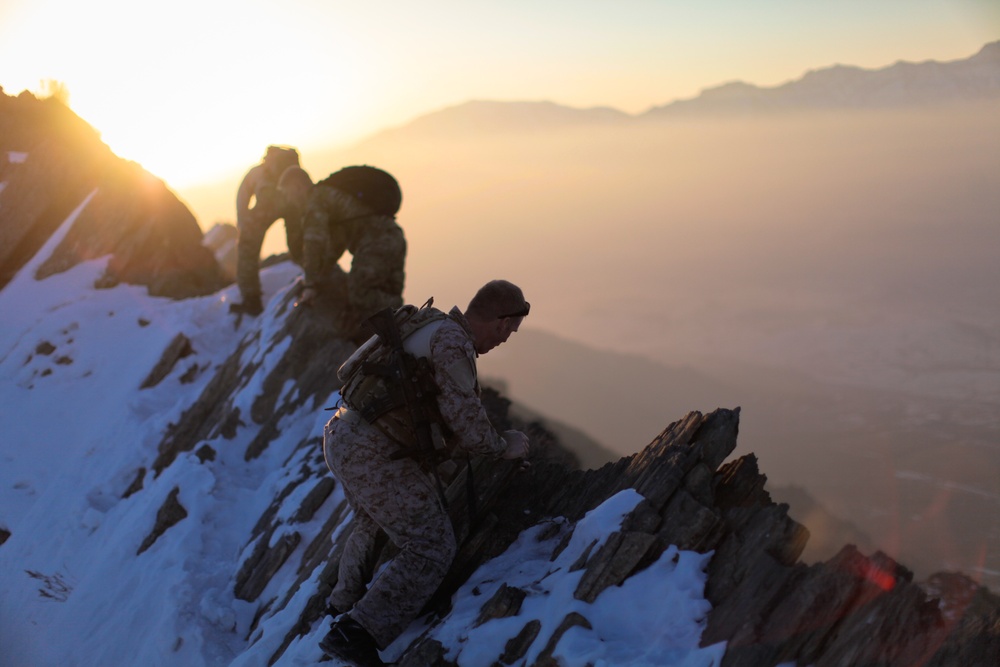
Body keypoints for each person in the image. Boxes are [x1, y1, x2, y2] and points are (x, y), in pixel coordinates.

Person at [318, 280, 532, 666]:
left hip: (344, 435)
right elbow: (467, 422)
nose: (505, 341)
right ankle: (356, 633)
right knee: (432, 545)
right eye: (510, 332)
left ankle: (342, 603)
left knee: (373, 521)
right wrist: (505, 446)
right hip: (372, 450)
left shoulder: (428, 323)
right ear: (502, 322)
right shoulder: (452, 343)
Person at [277, 165, 406, 327]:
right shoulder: (330, 197)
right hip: (393, 237)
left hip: (376, 243)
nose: (288, 200)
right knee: (388, 292)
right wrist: (318, 278)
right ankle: (405, 323)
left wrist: (310, 285)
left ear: (297, 186)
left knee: (360, 292)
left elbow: (314, 243)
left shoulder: (315, 200)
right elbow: (335, 246)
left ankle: (404, 317)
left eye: (287, 193)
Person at [230, 145, 302, 316]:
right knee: (298, 241)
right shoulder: (291, 169)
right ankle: (309, 274)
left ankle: (252, 301)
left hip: (265, 207)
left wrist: (243, 221)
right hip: (291, 202)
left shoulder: (258, 171)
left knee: (247, 252)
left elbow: (242, 196)